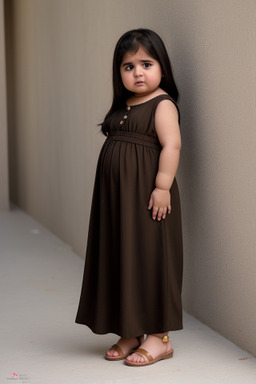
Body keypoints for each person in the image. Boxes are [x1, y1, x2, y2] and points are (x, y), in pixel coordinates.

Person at [75, 28, 183, 367]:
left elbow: (172, 145)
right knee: (122, 255)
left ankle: (158, 336)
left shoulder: (162, 104)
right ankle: (130, 328)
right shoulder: (124, 105)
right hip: (117, 201)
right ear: (118, 72)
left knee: (150, 258)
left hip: (148, 199)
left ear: (162, 67)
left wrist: (162, 186)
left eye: (146, 64)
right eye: (128, 66)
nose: (137, 72)